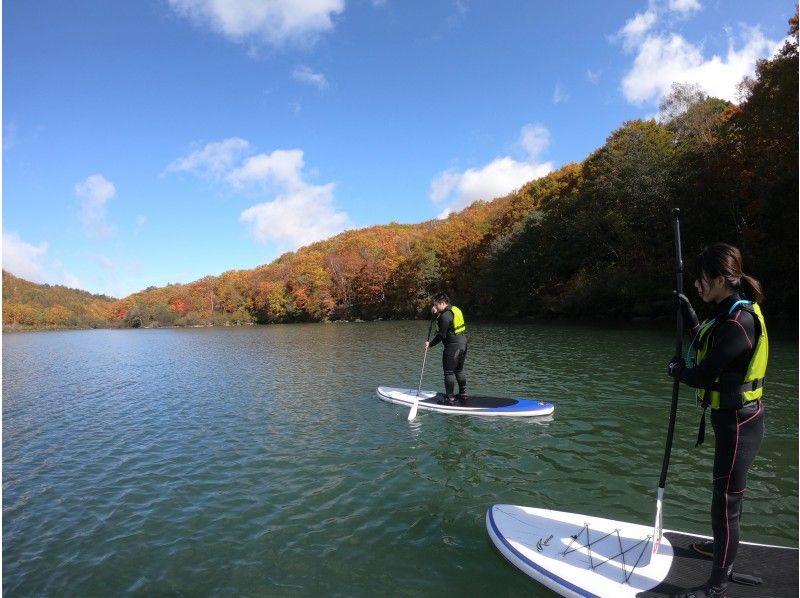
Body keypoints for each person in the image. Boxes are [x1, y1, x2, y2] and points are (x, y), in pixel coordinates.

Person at [667, 243, 768, 598]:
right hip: (731, 420)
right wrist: (691, 315)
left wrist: (677, 371)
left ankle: (716, 585)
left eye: (700, 280)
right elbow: (710, 344)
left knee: (725, 503)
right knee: (722, 496)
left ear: (718, 279)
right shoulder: (727, 313)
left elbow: (704, 373)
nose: (697, 285)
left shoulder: (740, 321)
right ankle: (719, 549)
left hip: (740, 424)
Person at [425, 292, 468, 405]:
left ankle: (450, 397)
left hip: (452, 347)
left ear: (442, 303)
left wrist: (430, 344)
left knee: (448, 372)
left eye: (436, 305)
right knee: (459, 370)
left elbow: (441, 335)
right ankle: (463, 393)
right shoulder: (455, 310)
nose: (435, 307)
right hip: (463, 344)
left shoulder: (444, 316)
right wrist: (435, 314)